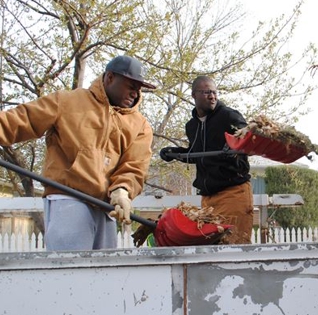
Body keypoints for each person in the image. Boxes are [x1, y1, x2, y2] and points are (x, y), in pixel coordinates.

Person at [0, 55, 155, 251]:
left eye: (139, 88)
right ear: (109, 78)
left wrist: (122, 190)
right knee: (70, 271)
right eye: (131, 86)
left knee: (103, 275)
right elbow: (19, 121)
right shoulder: (67, 102)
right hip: (67, 199)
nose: (136, 93)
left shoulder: (140, 125)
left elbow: (135, 165)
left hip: (106, 207)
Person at [160, 75, 254, 244]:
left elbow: (247, 139)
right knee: (212, 249)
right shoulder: (192, 126)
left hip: (233, 192)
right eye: (206, 92)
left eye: (214, 92)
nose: (212, 96)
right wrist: (174, 153)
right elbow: (197, 155)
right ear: (194, 95)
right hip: (208, 198)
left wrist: (234, 145)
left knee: (234, 245)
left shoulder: (229, 116)